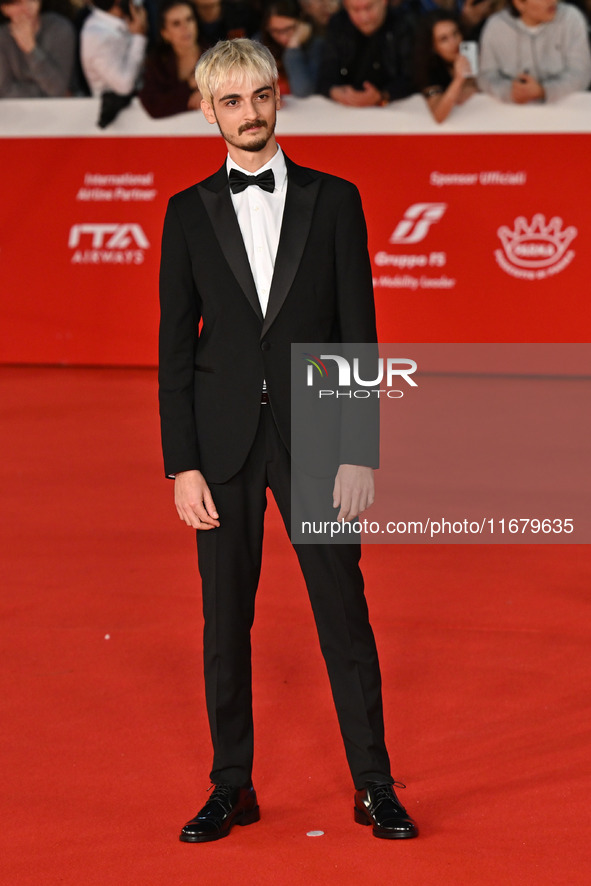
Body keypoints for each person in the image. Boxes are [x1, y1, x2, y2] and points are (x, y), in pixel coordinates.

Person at [158, 37, 418, 843]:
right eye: (230, 101)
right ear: (208, 111)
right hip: (222, 446)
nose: (248, 113)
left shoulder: (334, 200)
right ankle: (230, 785)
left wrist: (358, 450)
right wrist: (182, 465)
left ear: (279, 97)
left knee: (344, 619)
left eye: (259, 96)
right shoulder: (185, 211)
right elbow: (173, 349)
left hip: (316, 444)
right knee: (223, 625)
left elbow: (358, 334)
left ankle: (373, 785)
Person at [478, 0, 591, 103]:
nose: (552, 1)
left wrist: (544, 91)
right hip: (512, 111)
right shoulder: (496, 26)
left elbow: (581, 73)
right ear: (519, 3)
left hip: (563, 108)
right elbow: (486, 75)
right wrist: (510, 91)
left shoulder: (571, 18)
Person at [317, 0, 414, 106]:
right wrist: (334, 91)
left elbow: (412, 77)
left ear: (384, 2)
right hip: (345, 110)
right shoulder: (338, 24)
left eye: (369, 8)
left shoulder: (404, 24)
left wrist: (383, 95)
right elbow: (326, 72)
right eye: (355, 10)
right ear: (345, 6)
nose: (364, 17)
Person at [139, 0, 201, 118]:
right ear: (165, 33)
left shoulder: (217, 56)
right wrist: (188, 86)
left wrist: (211, 97)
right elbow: (153, 106)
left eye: (189, 19)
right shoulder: (156, 63)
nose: (185, 27)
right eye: (176, 24)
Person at [0, 0, 75, 96]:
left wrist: (31, 49)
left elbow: (57, 89)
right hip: (17, 109)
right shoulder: (2, 39)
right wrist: (43, 93)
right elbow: (5, 91)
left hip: (61, 109)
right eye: (17, 3)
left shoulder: (59, 29)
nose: (26, 7)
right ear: (4, 9)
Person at [414, 10, 477, 122]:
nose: (454, 42)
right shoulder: (430, 69)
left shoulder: (474, 52)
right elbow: (438, 115)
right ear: (434, 47)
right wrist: (458, 81)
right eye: (444, 39)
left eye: (455, 33)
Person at [80, 0, 147, 98]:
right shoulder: (96, 35)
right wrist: (139, 37)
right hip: (115, 110)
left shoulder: (126, 23)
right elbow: (124, 85)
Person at [260, 0, 324, 96]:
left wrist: (293, 48)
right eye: (275, 30)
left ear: (301, 21)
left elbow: (303, 90)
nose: (283, 37)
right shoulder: (260, 43)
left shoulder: (316, 44)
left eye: (288, 29)